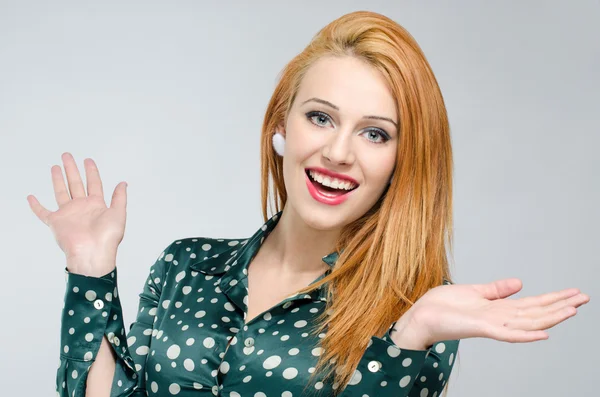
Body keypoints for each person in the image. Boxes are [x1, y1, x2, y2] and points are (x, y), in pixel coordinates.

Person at [28, 10, 589, 397]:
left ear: (404, 160)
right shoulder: (186, 266)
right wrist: (90, 267)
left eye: (375, 134)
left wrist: (408, 340)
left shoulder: (415, 312)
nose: (338, 151)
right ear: (281, 126)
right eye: (320, 117)